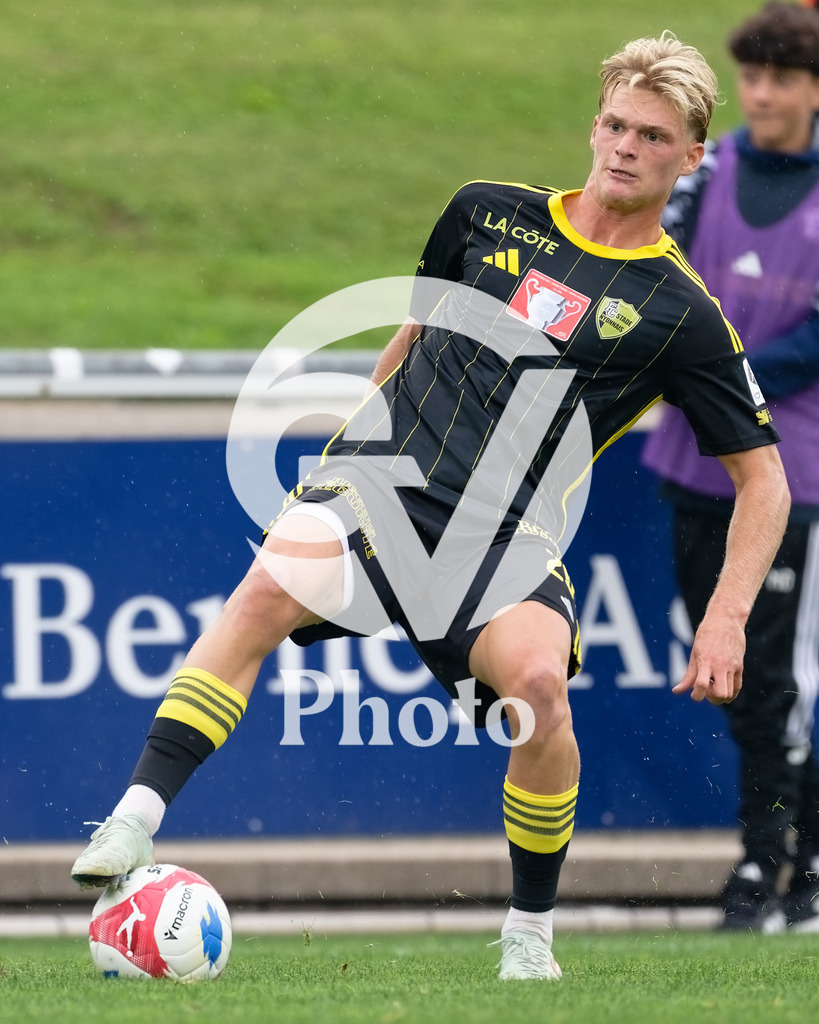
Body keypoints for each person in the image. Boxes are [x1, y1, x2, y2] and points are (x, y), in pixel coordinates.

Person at [71, 34, 790, 980]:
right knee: (267, 585)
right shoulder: (483, 212)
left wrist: (726, 620)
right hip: (382, 483)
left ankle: (527, 937)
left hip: (502, 536)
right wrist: (356, 451)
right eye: (613, 123)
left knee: (538, 692)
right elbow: (412, 334)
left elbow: (763, 479)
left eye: (651, 136)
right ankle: (133, 819)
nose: (623, 146)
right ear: (592, 124)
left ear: (689, 157)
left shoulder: (680, 314)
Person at [642, 2, 819, 933]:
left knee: (778, 681)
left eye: (782, 77)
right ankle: (783, 854)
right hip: (692, 461)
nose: (761, 94)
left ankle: (776, 861)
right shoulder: (707, 174)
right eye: (751, 76)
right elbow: (656, 266)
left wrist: (724, 377)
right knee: (734, 676)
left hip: (797, 474)